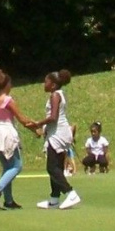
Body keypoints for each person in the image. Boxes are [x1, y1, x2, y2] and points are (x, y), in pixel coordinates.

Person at [0, 68, 38, 210]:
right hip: (7, 133)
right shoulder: (8, 100)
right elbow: (22, 119)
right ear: (6, 84)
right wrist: (36, 129)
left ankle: (8, 200)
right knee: (17, 166)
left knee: (7, 167)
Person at [30, 70, 81, 209]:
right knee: (57, 166)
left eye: (46, 81)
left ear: (53, 85)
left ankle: (70, 193)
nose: (44, 84)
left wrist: (38, 123)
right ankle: (54, 199)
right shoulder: (60, 94)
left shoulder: (55, 96)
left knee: (51, 168)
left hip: (58, 134)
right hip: (58, 132)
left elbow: (53, 117)